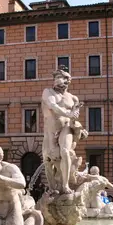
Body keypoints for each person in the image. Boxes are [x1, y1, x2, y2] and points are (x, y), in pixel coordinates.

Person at [41, 65, 87, 194]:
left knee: (65, 151)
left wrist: (79, 129)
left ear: (67, 81)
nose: (57, 80)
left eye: (60, 77)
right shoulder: (48, 92)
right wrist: (69, 114)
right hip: (50, 131)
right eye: (56, 77)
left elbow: (74, 118)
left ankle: (65, 185)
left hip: (66, 128)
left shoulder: (73, 99)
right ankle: (52, 188)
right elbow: (52, 106)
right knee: (48, 160)